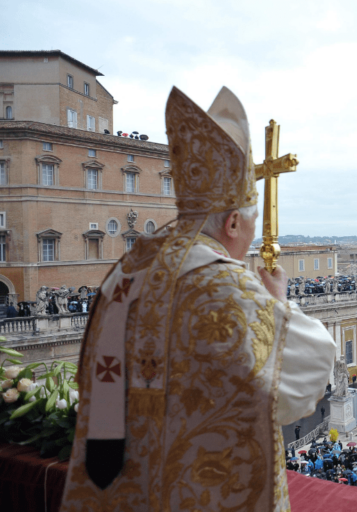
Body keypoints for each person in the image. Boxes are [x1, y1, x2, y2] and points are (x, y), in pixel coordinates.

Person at [60, 87, 337, 511]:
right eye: (249, 226)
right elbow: (311, 371)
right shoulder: (223, 284)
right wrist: (280, 304)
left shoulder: (125, 271)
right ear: (231, 223)